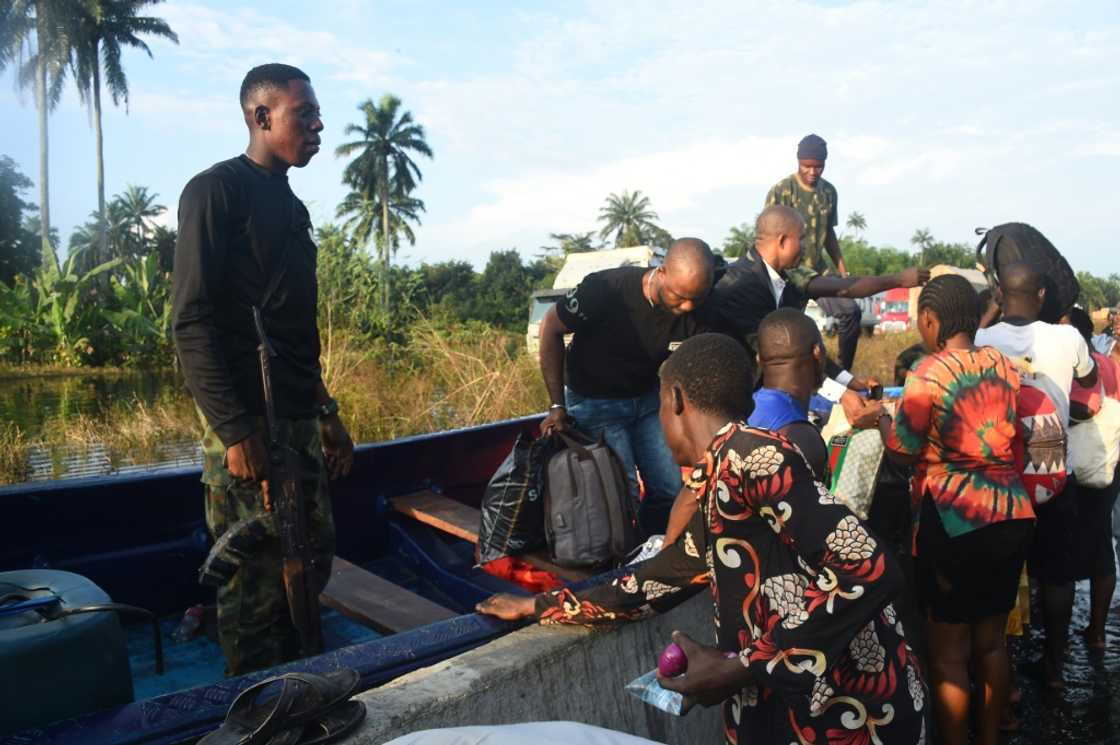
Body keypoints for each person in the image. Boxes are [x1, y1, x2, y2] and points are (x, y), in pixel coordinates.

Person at [478, 333, 928, 745]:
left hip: (851, 714)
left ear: (675, 399)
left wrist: (740, 667)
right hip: (802, 710)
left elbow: (870, 568)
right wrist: (542, 606)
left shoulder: (754, 457)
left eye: (657, 407)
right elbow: (661, 577)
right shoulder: (720, 477)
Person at [171, 63, 354, 675]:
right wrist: (235, 431)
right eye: (305, 112)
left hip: (299, 417)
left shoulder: (294, 207)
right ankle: (252, 712)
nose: (318, 124)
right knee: (252, 590)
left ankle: (300, 690)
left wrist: (326, 413)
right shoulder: (215, 191)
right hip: (248, 424)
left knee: (311, 563)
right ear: (262, 116)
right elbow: (191, 322)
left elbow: (295, 333)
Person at [879, 275, 1035, 745]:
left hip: (954, 520)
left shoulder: (927, 373)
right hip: (1010, 514)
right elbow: (1018, 444)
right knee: (990, 645)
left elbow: (904, 451)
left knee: (947, 654)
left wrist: (884, 420)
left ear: (930, 321)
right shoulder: (1006, 367)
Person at [537, 238, 715, 536]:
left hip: (646, 402)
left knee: (669, 488)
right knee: (620, 496)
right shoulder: (605, 290)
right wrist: (557, 406)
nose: (686, 307)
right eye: (679, 296)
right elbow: (550, 328)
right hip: (595, 403)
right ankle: (618, 565)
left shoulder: (700, 310)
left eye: (696, 299)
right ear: (662, 272)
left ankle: (650, 553)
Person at [974, 262, 1096, 688]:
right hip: (1051, 463)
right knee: (1057, 573)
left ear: (1001, 294)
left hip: (1001, 462)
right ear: (1042, 295)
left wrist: (988, 311)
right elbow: (1090, 377)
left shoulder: (982, 339)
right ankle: (1055, 668)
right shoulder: (1068, 336)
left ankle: (997, 665)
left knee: (999, 569)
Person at [704, 204, 925, 423]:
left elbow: (805, 347)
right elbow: (781, 356)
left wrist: (850, 382)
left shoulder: (786, 282)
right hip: (728, 405)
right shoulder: (740, 285)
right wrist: (840, 394)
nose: (805, 247)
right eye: (800, 239)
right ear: (782, 241)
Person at [765, 134, 856, 370]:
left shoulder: (829, 192)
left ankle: (845, 373)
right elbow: (766, 236)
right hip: (789, 272)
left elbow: (829, 233)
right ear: (798, 162)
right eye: (807, 166)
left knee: (851, 312)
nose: (813, 172)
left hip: (817, 271)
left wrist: (843, 269)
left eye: (819, 166)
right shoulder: (782, 191)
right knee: (789, 332)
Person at [1063, 306, 1120, 650]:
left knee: (1063, 549)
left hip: (1071, 466)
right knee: (1100, 544)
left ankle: (1063, 635)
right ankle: (1096, 631)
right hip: (1104, 464)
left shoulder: (1068, 365)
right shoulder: (1108, 363)